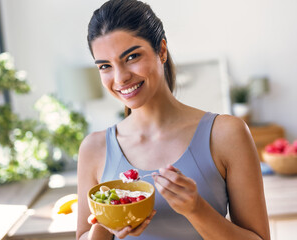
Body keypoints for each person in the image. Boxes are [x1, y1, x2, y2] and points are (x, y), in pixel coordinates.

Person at [77, 0, 270, 239]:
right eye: (105, 66)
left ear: (162, 50)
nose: (120, 77)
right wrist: (106, 221)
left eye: (132, 57)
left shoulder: (226, 134)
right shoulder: (94, 148)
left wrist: (196, 209)